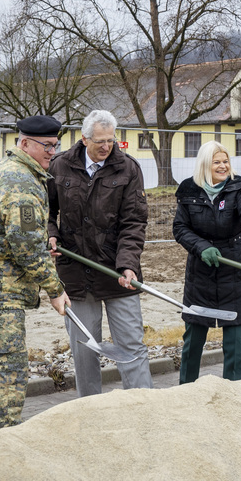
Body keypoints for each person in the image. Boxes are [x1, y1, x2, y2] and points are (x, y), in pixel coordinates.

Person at [0, 115, 70, 429]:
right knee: (9, 373)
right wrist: (55, 288)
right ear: (24, 143)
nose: (52, 151)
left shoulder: (11, 169)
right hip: (0, 290)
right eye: (47, 146)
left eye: (55, 145)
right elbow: (26, 245)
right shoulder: (21, 182)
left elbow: (17, 236)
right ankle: (8, 442)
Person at [47, 110, 152, 396]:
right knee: (85, 348)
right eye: (99, 141)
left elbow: (134, 221)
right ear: (84, 139)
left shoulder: (128, 168)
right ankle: (90, 408)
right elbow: (47, 212)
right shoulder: (60, 166)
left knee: (131, 343)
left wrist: (128, 265)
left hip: (117, 271)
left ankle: (143, 404)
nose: (106, 147)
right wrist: (52, 235)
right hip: (75, 272)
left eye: (110, 140)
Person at [172, 140, 241, 383]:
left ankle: (234, 391)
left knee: (235, 344)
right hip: (200, 274)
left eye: (226, 161)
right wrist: (202, 247)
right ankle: (186, 390)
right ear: (205, 164)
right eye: (217, 162)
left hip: (235, 272)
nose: (223, 166)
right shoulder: (189, 190)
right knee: (193, 341)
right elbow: (180, 228)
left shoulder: (238, 188)